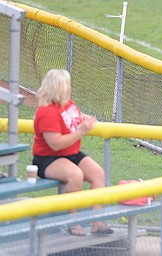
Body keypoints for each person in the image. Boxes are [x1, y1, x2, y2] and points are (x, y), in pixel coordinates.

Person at [32, 69, 113, 235]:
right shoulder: (47, 111)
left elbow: (76, 116)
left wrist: (85, 119)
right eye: (67, 84)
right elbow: (55, 144)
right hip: (48, 158)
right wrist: (81, 131)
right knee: (75, 175)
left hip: (71, 153)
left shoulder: (67, 103)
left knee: (98, 174)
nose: (70, 88)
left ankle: (97, 222)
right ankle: (73, 222)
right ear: (58, 88)